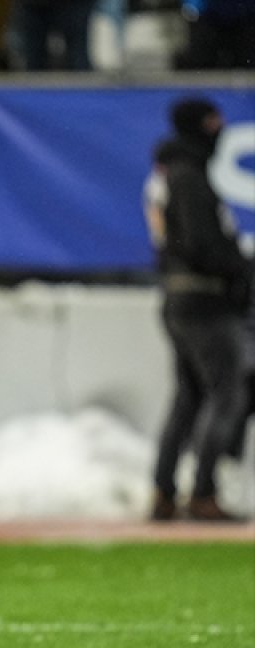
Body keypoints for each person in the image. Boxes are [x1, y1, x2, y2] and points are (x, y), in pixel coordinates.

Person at [144, 97, 251, 523]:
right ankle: (203, 492)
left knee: (188, 398)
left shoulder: (170, 173)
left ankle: (164, 490)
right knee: (227, 392)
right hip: (204, 300)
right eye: (211, 121)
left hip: (178, 296)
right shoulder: (188, 176)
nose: (218, 129)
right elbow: (202, 243)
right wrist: (239, 269)